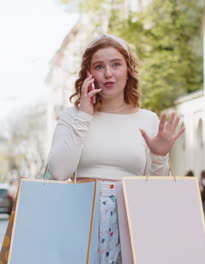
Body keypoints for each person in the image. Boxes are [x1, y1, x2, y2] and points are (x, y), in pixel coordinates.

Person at [47, 33, 185, 264]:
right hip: (80, 220)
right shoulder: (73, 117)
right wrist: (85, 116)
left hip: (132, 222)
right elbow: (59, 172)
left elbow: (159, 192)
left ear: (128, 70)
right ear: (88, 74)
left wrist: (160, 155)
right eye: (99, 66)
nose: (108, 73)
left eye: (116, 64)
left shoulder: (147, 119)